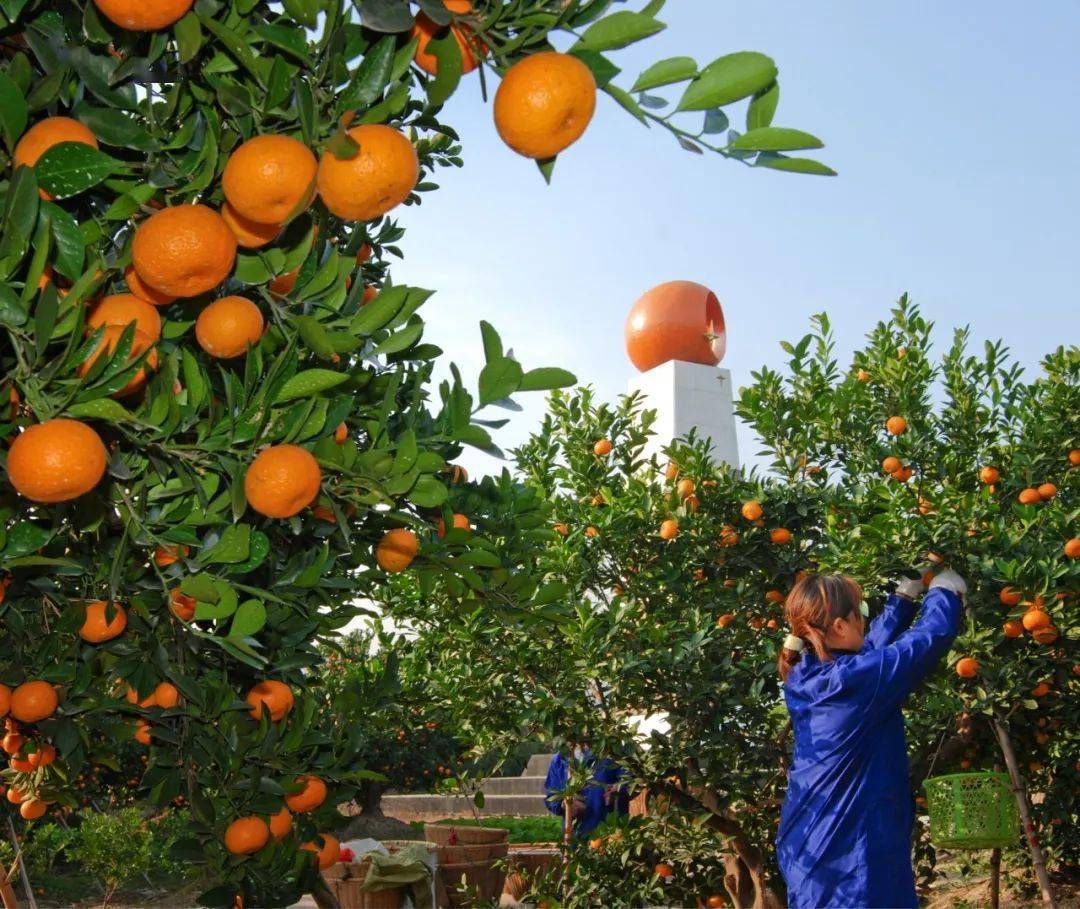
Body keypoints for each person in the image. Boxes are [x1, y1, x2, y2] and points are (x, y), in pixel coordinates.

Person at [776, 569, 965, 909]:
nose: (864, 621)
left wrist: (902, 601)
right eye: (859, 614)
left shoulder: (807, 672)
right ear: (838, 626)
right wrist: (944, 593)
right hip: (851, 854)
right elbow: (921, 644)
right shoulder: (853, 683)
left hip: (813, 844)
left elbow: (868, 651)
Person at [544, 743, 629, 837]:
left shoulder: (613, 752)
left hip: (608, 836)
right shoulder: (559, 760)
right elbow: (551, 797)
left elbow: (632, 782)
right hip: (574, 838)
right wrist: (564, 805)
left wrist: (618, 790)